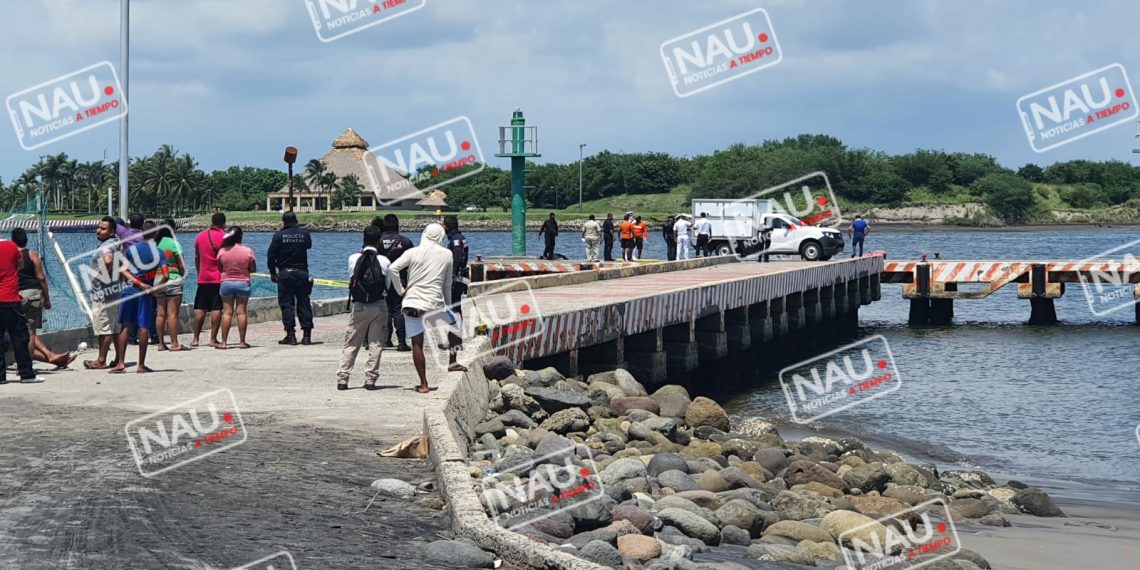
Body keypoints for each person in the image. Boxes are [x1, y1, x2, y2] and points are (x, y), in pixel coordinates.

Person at [389, 223, 468, 394]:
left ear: (424, 234)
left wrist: (401, 291)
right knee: (455, 326)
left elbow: (392, 268)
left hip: (412, 303)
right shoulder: (447, 254)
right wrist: (448, 305)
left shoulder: (412, 252)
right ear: (441, 236)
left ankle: (424, 384)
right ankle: (453, 362)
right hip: (434, 303)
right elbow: (447, 284)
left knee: (417, 343)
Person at [10, 229, 74, 369]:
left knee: (19, 331)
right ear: (26, 240)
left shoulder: (10, 255)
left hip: (15, 295)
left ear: (12, 240)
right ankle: (25, 366)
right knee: (31, 332)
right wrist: (47, 297)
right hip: (32, 294)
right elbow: (41, 277)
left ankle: (44, 358)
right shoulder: (31, 254)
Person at [338, 225, 391, 391]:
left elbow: (351, 278)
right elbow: (388, 285)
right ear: (379, 241)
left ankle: (343, 379)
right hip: (379, 305)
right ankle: (370, 380)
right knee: (376, 344)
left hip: (360, 306)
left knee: (352, 343)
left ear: (363, 239)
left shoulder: (353, 258)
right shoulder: (384, 261)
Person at [110, 229, 159, 374]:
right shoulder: (158, 252)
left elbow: (123, 270)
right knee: (143, 327)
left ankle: (120, 363)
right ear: (155, 235)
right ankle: (141, 365)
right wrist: (154, 287)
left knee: (125, 326)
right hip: (145, 293)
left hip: (129, 291)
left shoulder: (131, 250)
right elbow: (167, 274)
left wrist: (137, 282)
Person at [267, 211, 314, 345]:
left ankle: (291, 335)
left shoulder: (278, 236)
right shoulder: (304, 234)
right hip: (301, 272)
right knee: (304, 302)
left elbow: (271, 256)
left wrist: (272, 272)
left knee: (287, 305)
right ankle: (306, 335)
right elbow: (308, 246)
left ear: (284, 221)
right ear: (296, 220)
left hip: (285, 273)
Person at [82, 217, 123, 370]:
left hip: (104, 295)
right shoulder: (116, 242)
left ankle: (101, 360)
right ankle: (119, 358)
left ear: (111, 231)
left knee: (104, 329)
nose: (98, 230)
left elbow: (107, 259)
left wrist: (101, 275)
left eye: (103, 228)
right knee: (114, 328)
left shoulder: (107, 246)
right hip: (113, 292)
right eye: (98, 227)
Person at [0, 234, 40, 383]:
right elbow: (21, 265)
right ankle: (26, 373)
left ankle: (1, 376)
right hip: (10, 298)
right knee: (19, 336)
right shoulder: (10, 246)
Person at [377, 214, 413, 351]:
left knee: (386, 310)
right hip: (400, 280)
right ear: (398, 225)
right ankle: (402, 342)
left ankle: (386, 340)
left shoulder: (378, 241)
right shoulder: (406, 242)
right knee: (398, 310)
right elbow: (412, 263)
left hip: (382, 281)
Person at [216, 226, 255, 350]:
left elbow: (220, 268)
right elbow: (253, 269)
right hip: (243, 283)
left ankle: (224, 342)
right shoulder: (247, 250)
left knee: (227, 313)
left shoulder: (222, 251)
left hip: (226, 283)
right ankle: (242, 342)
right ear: (240, 237)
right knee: (241, 312)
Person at [192, 212, 226, 347]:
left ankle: (195, 338)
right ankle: (212, 338)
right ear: (224, 223)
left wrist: (199, 271)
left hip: (203, 277)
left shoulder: (200, 235)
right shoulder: (225, 237)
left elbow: (196, 257)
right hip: (219, 277)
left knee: (200, 307)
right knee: (217, 307)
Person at [152, 220, 187, 352]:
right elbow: (181, 264)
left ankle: (161, 344)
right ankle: (174, 343)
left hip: (158, 279)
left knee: (160, 314)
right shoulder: (174, 244)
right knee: (172, 314)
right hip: (173, 278)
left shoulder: (155, 244)